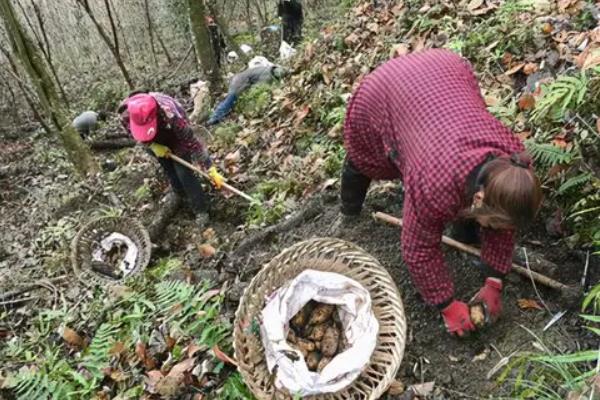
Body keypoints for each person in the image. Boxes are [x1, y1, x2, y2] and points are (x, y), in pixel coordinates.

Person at [337, 49, 542, 337]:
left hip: (445, 79)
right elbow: (418, 250)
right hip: (386, 92)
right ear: (479, 199)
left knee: (476, 213)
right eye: (492, 222)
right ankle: (349, 210)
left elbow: (503, 222)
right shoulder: (433, 184)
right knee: (362, 162)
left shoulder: (515, 166)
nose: (497, 229)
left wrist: (494, 279)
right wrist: (447, 305)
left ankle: (465, 233)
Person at [117, 92, 224, 227]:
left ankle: (201, 209)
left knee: (184, 173)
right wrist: (153, 145)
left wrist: (209, 167)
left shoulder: (170, 114)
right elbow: (133, 134)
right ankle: (180, 194)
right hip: (152, 140)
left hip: (174, 135)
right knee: (168, 167)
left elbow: (192, 142)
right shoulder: (125, 115)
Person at [206, 64, 287, 125]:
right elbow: (258, 88)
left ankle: (220, 117)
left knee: (232, 100)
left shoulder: (269, 67)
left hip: (240, 78)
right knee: (230, 99)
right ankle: (214, 118)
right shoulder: (267, 76)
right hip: (239, 81)